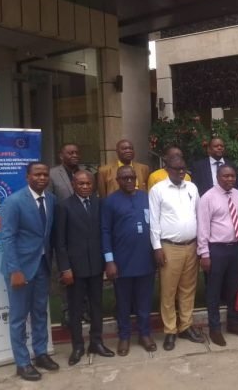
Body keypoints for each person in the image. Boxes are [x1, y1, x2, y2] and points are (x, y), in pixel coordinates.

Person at [0, 162, 59, 381]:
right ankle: (23, 363)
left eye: (45, 174)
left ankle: (41, 353)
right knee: (18, 317)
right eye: (37, 174)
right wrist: (15, 270)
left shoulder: (51, 200)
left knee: (40, 312)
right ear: (27, 177)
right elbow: (7, 237)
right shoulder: (14, 202)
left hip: (42, 265)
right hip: (20, 269)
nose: (42, 177)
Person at [55, 170, 114, 365]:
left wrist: (107, 262)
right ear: (73, 185)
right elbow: (60, 242)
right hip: (75, 269)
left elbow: (105, 233)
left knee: (97, 306)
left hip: (96, 265)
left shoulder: (99, 203)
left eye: (88, 183)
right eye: (81, 183)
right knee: (75, 309)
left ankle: (96, 342)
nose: (85, 186)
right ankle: (78, 346)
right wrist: (65, 269)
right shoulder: (64, 206)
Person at [149, 156, 204, 351]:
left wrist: (201, 244)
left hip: (191, 245)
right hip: (169, 247)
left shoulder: (192, 187)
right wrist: (157, 247)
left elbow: (199, 215)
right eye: (177, 169)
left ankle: (186, 326)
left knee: (188, 289)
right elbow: (154, 220)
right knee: (168, 291)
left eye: (183, 169)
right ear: (166, 168)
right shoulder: (158, 190)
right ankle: (170, 330)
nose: (181, 172)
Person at [101, 165, 156, 356]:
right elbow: (105, 232)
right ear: (118, 181)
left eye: (132, 177)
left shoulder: (146, 197)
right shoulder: (110, 201)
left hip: (146, 259)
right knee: (123, 303)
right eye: (125, 178)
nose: (130, 181)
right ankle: (124, 336)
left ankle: (144, 334)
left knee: (144, 301)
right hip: (122, 261)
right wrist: (109, 261)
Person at [197, 165, 238, 346]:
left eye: (232, 176)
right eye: (226, 176)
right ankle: (214, 328)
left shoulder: (237, 195)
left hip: (235, 248)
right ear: (218, 177)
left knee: (234, 288)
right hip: (217, 249)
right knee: (214, 290)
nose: (230, 179)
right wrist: (204, 254)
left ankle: (233, 322)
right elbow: (203, 228)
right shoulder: (208, 198)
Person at [48, 142, 85, 327]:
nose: (74, 155)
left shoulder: (85, 172)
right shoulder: (52, 174)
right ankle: (67, 310)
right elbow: (49, 202)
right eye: (70, 152)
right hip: (63, 230)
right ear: (61, 155)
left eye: (76, 152)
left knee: (83, 271)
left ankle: (83, 308)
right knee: (65, 271)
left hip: (83, 231)